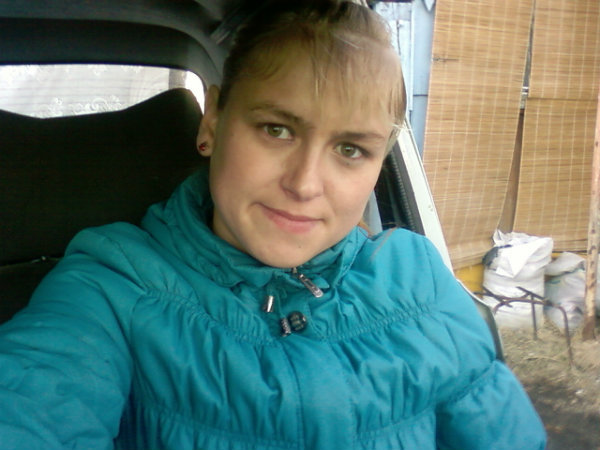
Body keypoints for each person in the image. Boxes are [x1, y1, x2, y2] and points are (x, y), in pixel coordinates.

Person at [0, 1, 546, 449]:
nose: (305, 184)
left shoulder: (419, 279)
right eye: (276, 130)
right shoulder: (110, 288)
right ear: (213, 122)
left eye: (351, 149)